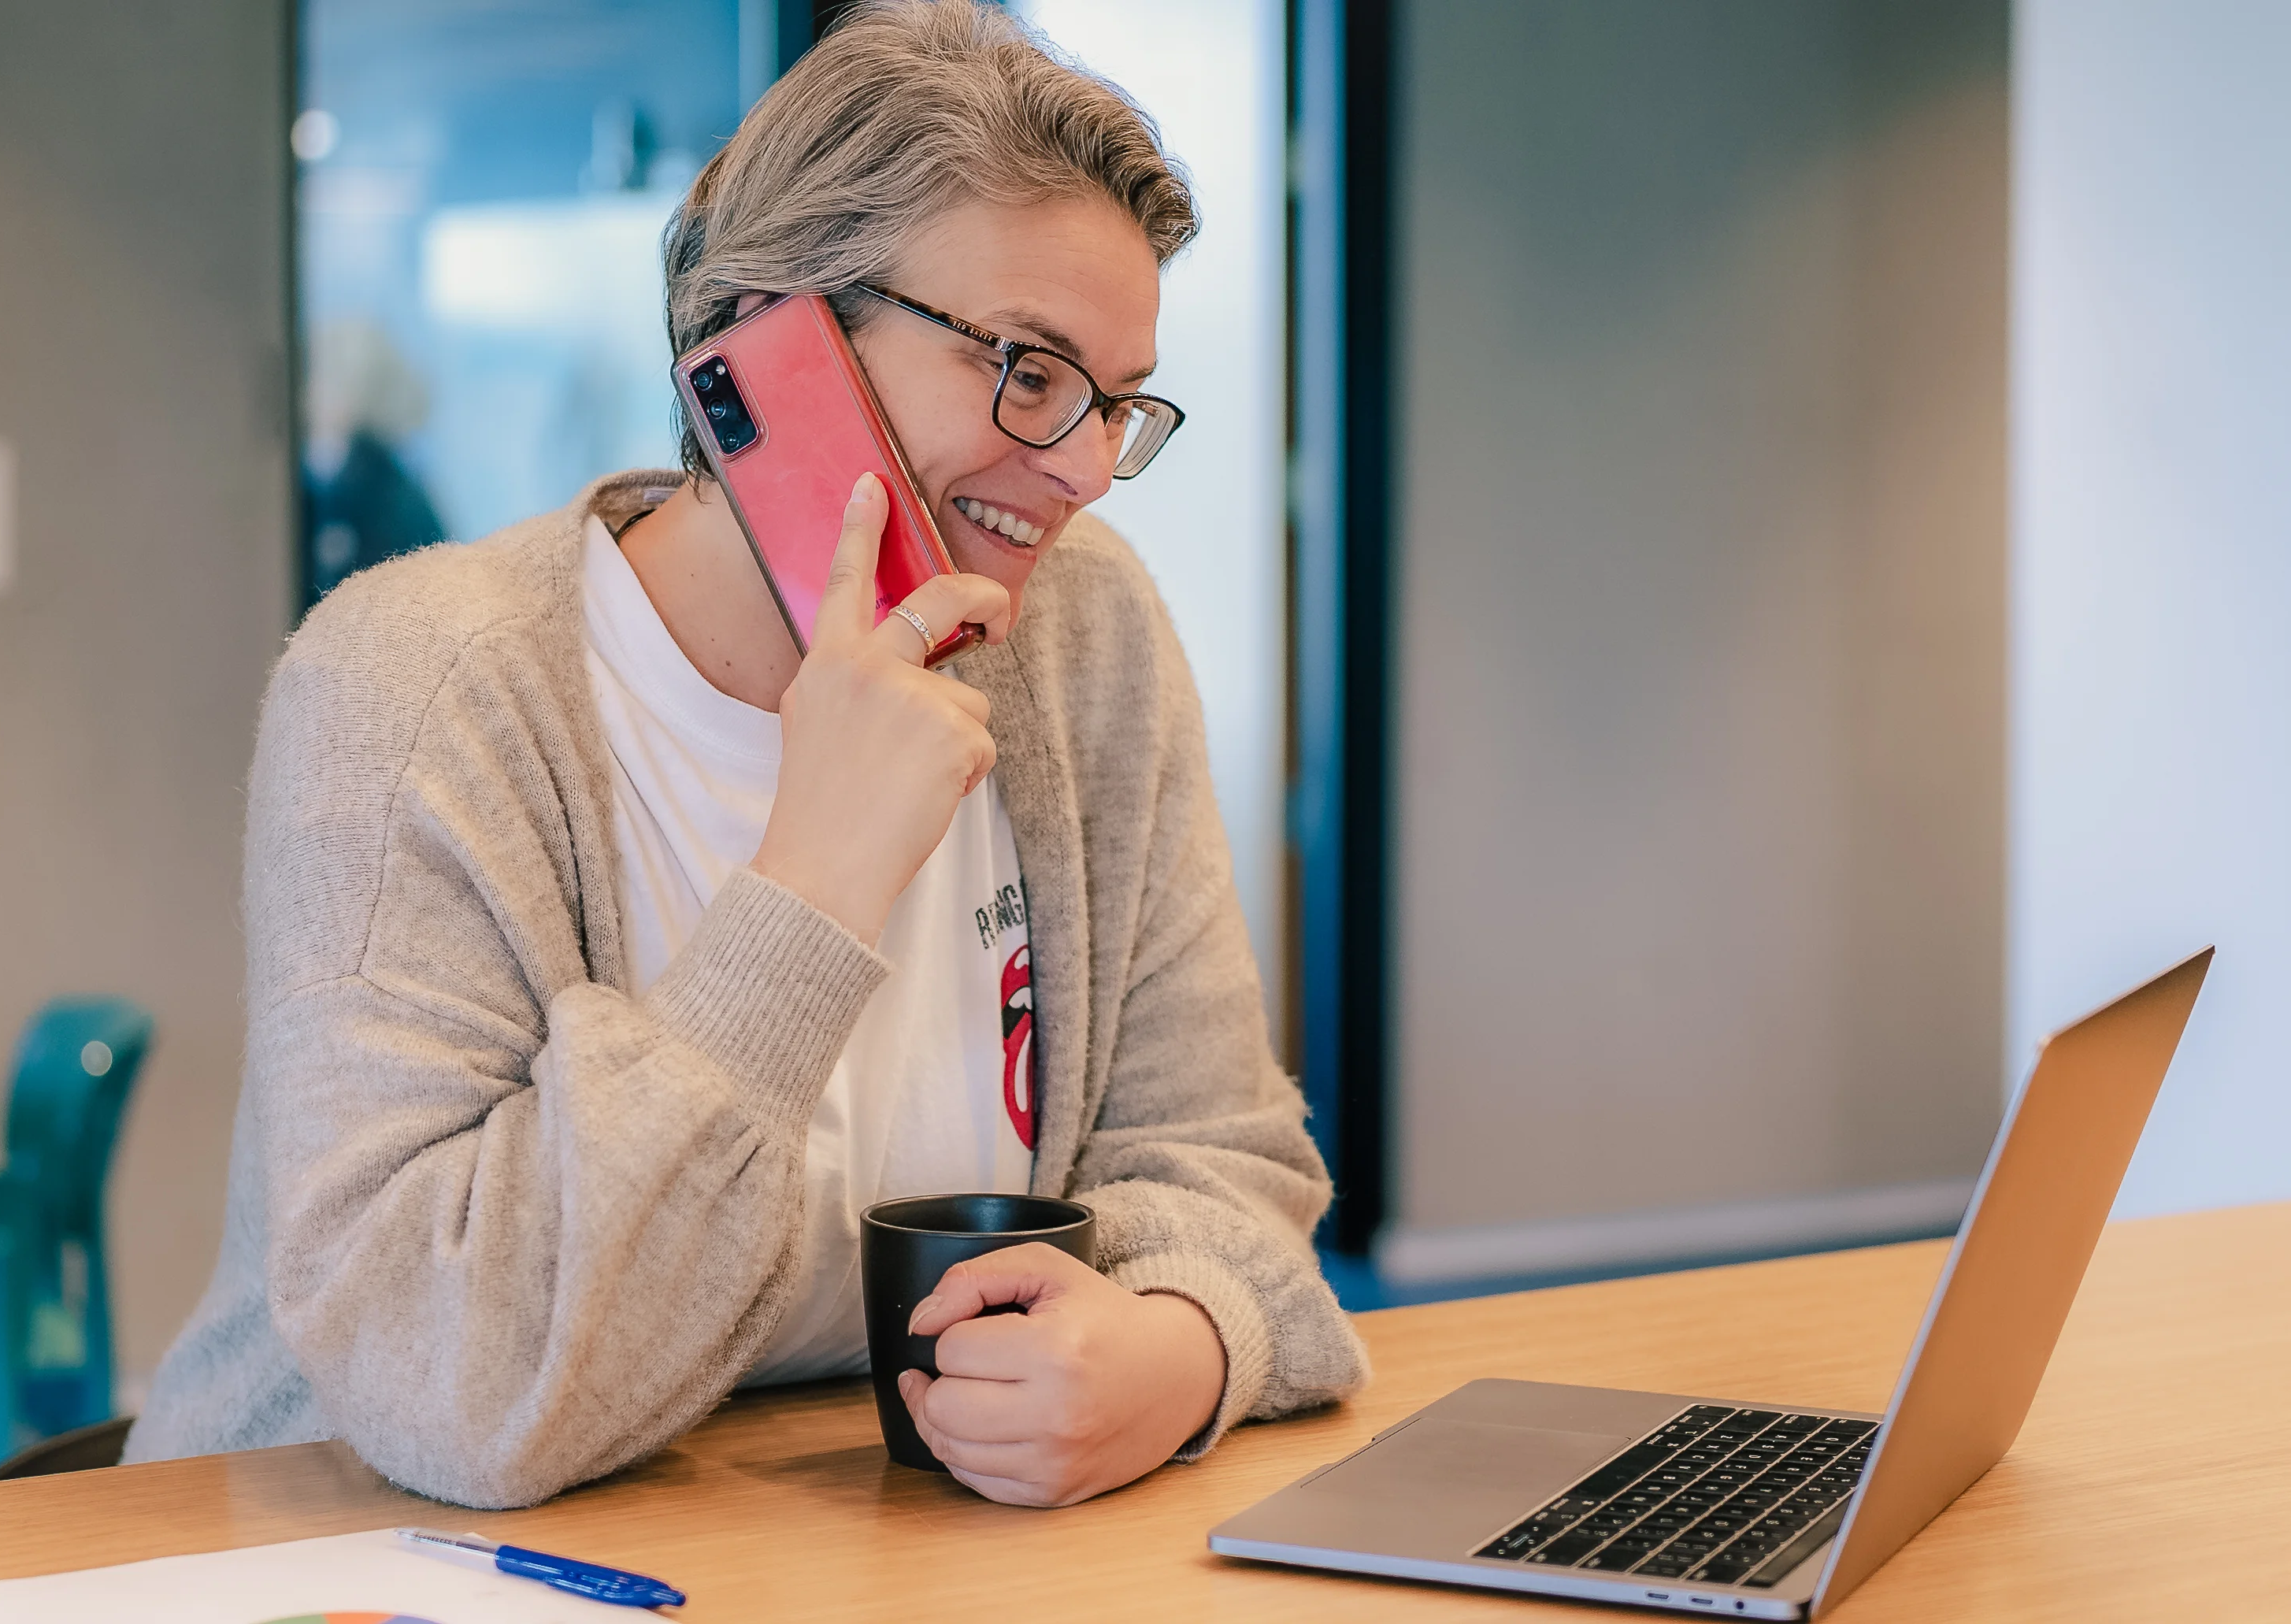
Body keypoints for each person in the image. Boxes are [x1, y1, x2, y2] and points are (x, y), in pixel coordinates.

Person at [127, 0, 1367, 1511]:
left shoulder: (1080, 639)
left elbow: (1218, 1151)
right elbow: (450, 1384)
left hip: (817, 1532)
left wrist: (1179, 1350)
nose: (1086, 469)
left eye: (1113, 404)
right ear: (772, 343)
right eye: (1028, 371)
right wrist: (815, 878)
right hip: (333, 1541)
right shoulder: (414, 683)